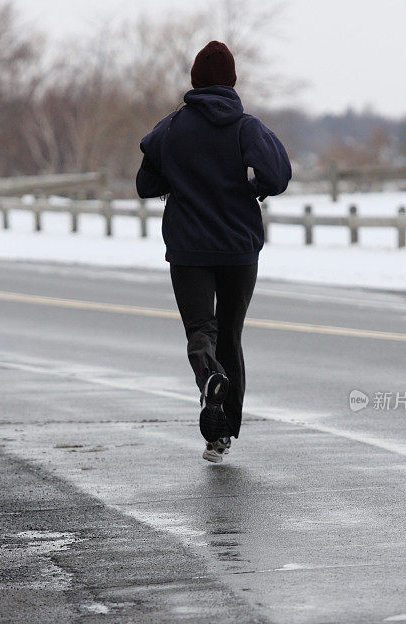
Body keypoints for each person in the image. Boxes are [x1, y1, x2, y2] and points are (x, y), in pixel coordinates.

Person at [136, 40, 291, 462]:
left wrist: (178, 182)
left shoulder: (170, 128)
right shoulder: (246, 127)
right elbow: (278, 175)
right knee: (231, 333)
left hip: (189, 250)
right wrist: (252, 189)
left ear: (194, 81)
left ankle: (211, 379)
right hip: (239, 249)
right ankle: (223, 436)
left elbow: (145, 185)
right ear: (233, 81)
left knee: (201, 332)